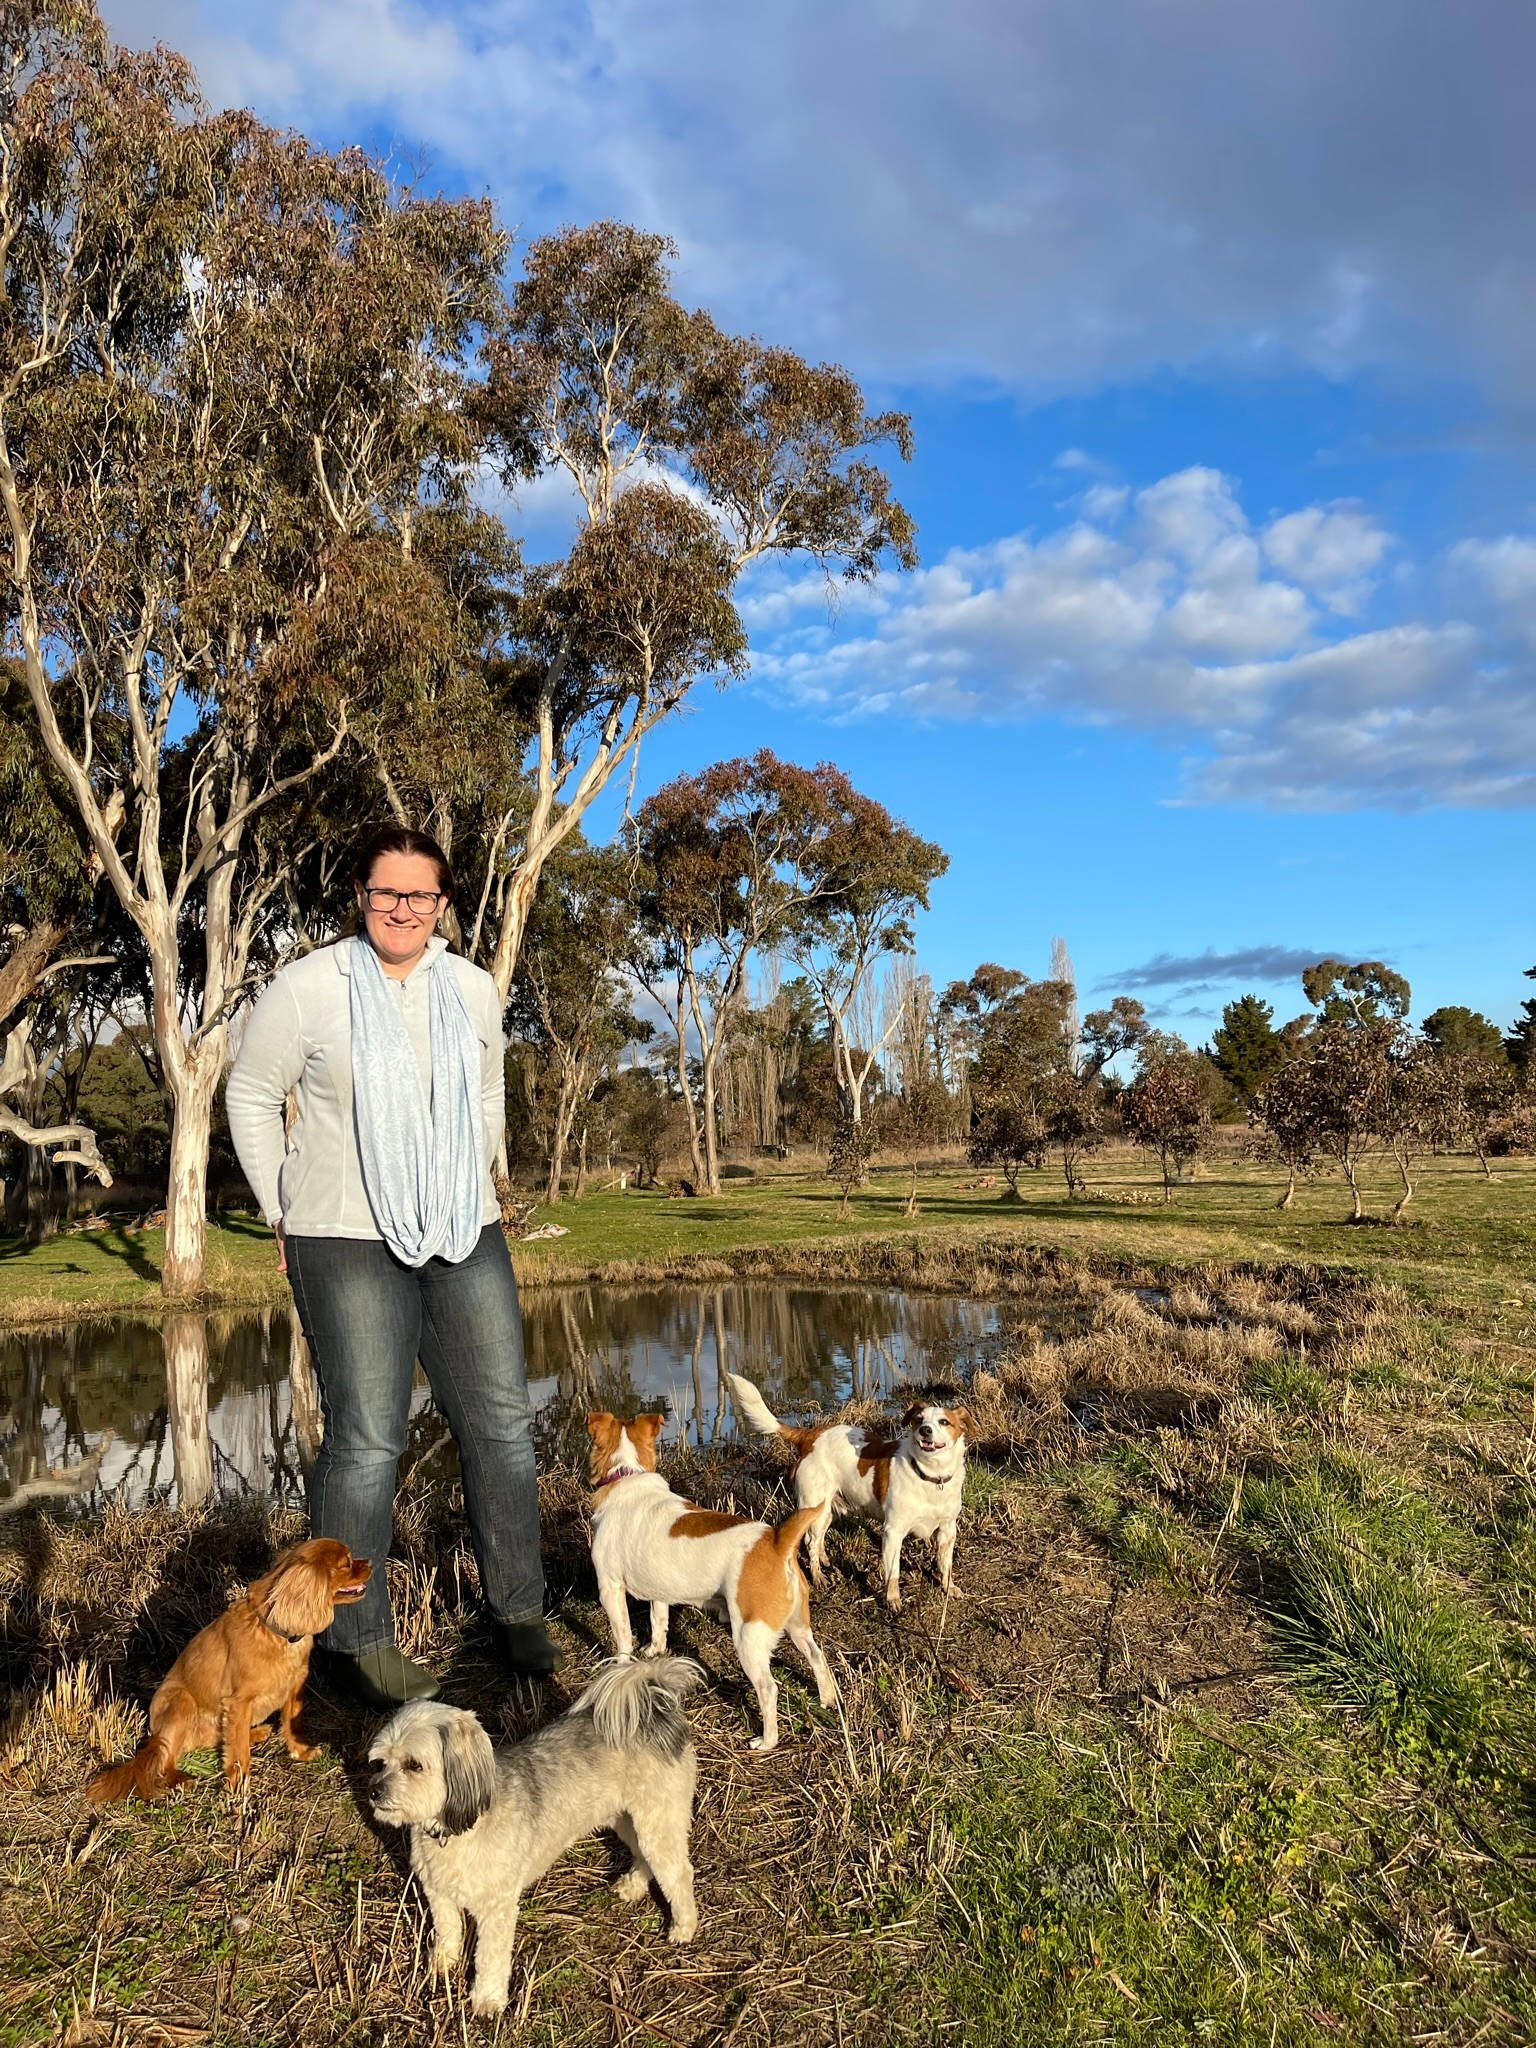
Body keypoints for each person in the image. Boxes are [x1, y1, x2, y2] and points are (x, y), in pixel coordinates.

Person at [226, 825, 559, 1705]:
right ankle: (353, 1638)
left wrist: (479, 1172)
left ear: (443, 905)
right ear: (361, 898)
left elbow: (487, 1089)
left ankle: (518, 1609)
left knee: (501, 1425)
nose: (402, 909)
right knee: (369, 1440)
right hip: (343, 1235)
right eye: (386, 893)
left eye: (420, 896)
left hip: (464, 1229)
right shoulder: (310, 989)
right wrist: (280, 1209)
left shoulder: (472, 988)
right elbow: (252, 1094)